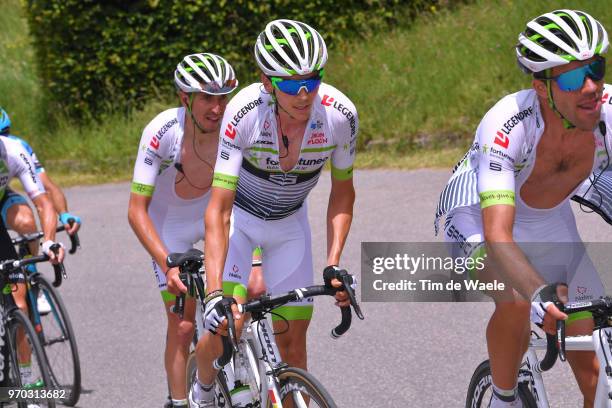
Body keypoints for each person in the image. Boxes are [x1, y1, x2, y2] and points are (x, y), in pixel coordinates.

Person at [435, 9, 611, 408]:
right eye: (570, 77)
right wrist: (539, 292)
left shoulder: (608, 115)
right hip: (477, 220)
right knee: (515, 301)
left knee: (596, 365)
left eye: (596, 69)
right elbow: (498, 235)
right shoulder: (508, 123)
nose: (590, 86)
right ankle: (503, 396)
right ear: (541, 86)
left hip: (550, 222)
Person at [190, 19, 358, 407]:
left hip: (290, 225)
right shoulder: (244, 113)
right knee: (226, 323)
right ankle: (201, 390)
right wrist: (214, 291)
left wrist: (333, 263)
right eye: (289, 84)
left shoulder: (340, 116)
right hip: (241, 223)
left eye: (312, 79)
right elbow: (218, 210)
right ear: (268, 82)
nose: (303, 94)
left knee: (294, 347)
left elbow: (343, 193)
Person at [127, 52, 239, 408]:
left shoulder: (236, 125)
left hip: (214, 214)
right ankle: (178, 401)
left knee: (244, 298)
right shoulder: (163, 132)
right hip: (170, 224)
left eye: (223, 98)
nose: (217, 108)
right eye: (207, 98)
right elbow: (136, 211)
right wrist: (167, 263)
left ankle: (244, 371)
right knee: (183, 325)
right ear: (184, 97)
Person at [0, 133, 65, 389]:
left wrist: (49, 241)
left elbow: (43, 203)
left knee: (20, 302)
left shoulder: (14, 151)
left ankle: (25, 385)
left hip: (2, 202)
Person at [0, 108, 81, 278]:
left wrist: (64, 214)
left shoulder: (18, 149)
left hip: (2, 195)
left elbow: (47, 188)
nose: (4, 138)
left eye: (5, 132)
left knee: (27, 222)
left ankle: (31, 274)